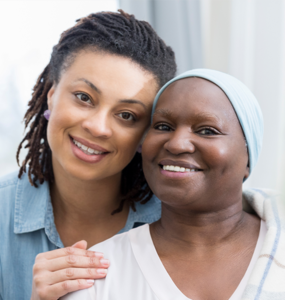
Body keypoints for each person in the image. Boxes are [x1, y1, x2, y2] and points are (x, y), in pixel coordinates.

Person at [62, 69, 285, 300]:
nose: (177, 144)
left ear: (248, 157)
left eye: (207, 131)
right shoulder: (97, 272)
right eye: (163, 127)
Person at [0, 10, 177, 300]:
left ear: (145, 133)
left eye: (126, 115)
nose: (97, 127)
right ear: (52, 95)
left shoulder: (177, 221)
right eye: (84, 97)